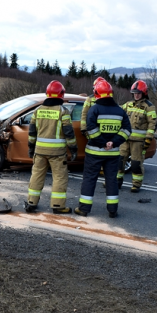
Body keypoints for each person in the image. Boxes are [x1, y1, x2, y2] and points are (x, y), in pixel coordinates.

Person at [75, 79, 131, 218]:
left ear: (96, 94)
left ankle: (84, 209)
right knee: (111, 180)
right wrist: (114, 142)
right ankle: (112, 210)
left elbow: (91, 129)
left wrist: (102, 143)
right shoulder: (120, 111)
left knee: (89, 179)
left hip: (94, 151)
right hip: (113, 153)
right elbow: (127, 130)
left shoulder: (94, 109)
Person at [24, 81, 78, 214]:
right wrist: (73, 149)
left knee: (36, 176)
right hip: (58, 153)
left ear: (47, 94)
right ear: (61, 94)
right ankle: (58, 206)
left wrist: (31, 148)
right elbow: (69, 133)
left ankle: (31, 202)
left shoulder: (37, 111)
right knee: (59, 178)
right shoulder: (63, 111)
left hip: (39, 151)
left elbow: (32, 133)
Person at [117, 80, 157, 192]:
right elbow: (118, 111)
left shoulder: (149, 107)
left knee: (136, 164)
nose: (136, 95)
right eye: (134, 93)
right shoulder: (128, 104)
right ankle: (117, 181)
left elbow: (152, 124)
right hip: (125, 139)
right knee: (120, 161)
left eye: (138, 93)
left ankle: (136, 184)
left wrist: (148, 139)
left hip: (138, 142)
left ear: (144, 93)